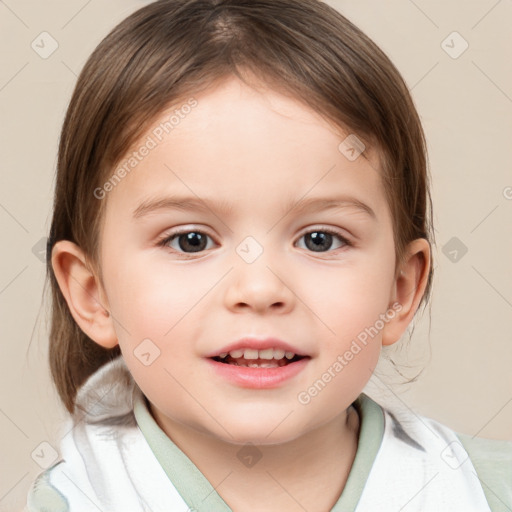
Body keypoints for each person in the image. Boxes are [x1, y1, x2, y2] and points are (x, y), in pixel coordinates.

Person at [25, 0, 511, 511]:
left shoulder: (482, 492)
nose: (259, 290)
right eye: (190, 240)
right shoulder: (76, 502)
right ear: (92, 293)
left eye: (320, 239)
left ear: (400, 290)